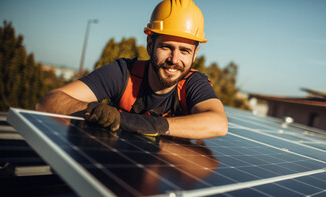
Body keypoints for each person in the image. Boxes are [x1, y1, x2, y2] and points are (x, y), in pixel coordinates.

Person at [36, 0, 228, 139]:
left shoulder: (193, 84)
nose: (174, 59)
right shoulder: (123, 73)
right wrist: (92, 110)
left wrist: (134, 122)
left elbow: (218, 123)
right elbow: (48, 102)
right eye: (166, 47)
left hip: (167, 179)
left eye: (185, 51)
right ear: (150, 43)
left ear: (195, 54)